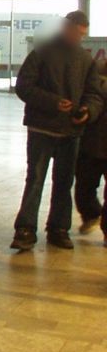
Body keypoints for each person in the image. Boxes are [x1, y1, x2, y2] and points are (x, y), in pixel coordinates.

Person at [11, 11, 103, 251]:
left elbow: (94, 94)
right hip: (42, 129)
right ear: (65, 27)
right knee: (35, 179)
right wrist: (52, 102)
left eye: (82, 35)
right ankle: (25, 229)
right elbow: (23, 86)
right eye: (75, 32)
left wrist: (87, 111)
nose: (77, 38)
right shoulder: (42, 52)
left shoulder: (85, 60)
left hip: (70, 132)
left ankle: (59, 229)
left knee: (64, 182)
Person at [74, 59, 107, 240]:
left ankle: (93, 215)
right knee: (84, 188)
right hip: (91, 144)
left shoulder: (91, 84)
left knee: (84, 187)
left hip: (89, 145)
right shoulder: (93, 83)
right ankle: (92, 214)